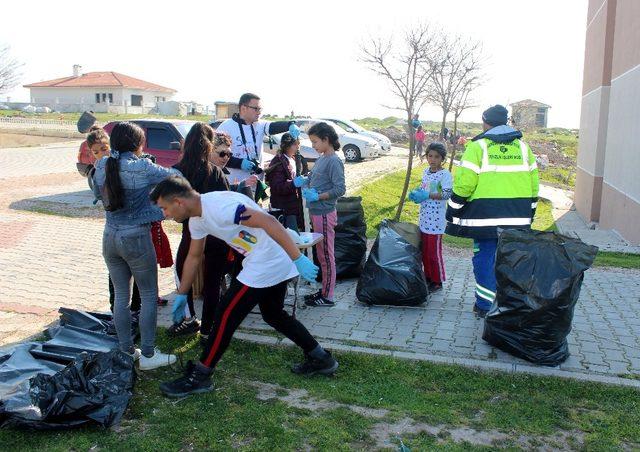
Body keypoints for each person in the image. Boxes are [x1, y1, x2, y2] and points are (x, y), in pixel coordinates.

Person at [151, 176, 339, 397]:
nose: (165, 215)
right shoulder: (197, 219)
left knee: (225, 316)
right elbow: (194, 256)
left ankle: (200, 376)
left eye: (164, 208)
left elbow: (270, 222)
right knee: (273, 314)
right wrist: (182, 293)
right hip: (270, 258)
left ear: (178, 201)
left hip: (267, 260)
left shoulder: (221, 208)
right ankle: (321, 358)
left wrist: (298, 258)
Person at [92, 121, 178, 369]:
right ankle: (149, 355)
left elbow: (99, 194)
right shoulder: (141, 166)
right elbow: (176, 177)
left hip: (110, 235)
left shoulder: (102, 164)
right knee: (149, 295)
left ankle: (127, 351)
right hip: (136, 237)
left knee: (121, 296)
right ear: (138, 144)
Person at [445, 105, 539, 318]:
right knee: (510, 261)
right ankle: (509, 304)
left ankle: (485, 305)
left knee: (485, 259)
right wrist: (530, 213)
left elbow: (465, 185)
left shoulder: (478, 147)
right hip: (517, 218)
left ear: (485, 122)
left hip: (484, 219)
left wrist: (453, 209)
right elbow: (534, 186)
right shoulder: (524, 149)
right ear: (506, 122)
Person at [171, 123, 233, 339]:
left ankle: (188, 319)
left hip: (191, 232)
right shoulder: (215, 172)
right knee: (213, 282)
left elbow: (174, 206)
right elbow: (226, 204)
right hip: (216, 234)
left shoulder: (177, 171)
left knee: (182, 273)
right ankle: (208, 330)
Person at [298, 122, 346, 307]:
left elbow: (340, 189)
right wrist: (304, 180)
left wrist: (318, 196)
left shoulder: (334, 160)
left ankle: (328, 296)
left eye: (315, 142)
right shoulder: (323, 157)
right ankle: (325, 290)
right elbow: (315, 177)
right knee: (321, 254)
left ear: (326, 139)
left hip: (325, 213)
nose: (313, 146)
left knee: (326, 255)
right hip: (317, 213)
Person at [215, 93, 301, 185]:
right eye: (256, 109)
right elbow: (216, 156)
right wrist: (239, 163)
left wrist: (290, 125)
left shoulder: (259, 124)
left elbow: (273, 126)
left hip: (257, 183)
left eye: (260, 109)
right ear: (244, 108)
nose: (259, 112)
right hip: (235, 183)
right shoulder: (226, 127)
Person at [408, 142, 452, 292]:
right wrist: (416, 193)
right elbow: (424, 188)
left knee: (434, 254)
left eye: (436, 157)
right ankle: (428, 277)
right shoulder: (426, 172)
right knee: (425, 252)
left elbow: (446, 194)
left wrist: (428, 195)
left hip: (437, 221)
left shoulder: (445, 175)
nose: (432, 159)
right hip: (424, 218)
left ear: (442, 158)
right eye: (430, 156)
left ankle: (437, 280)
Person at [266, 132, 306, 232]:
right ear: (286, 146)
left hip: (294, 205)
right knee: (292, 238)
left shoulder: (293, 158)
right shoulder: (278, 162)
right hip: (284, 208)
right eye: (295, 144)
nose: (298, 146)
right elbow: (277, 187)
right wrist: (294, 183)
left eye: (298, 143)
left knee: (297, 237)